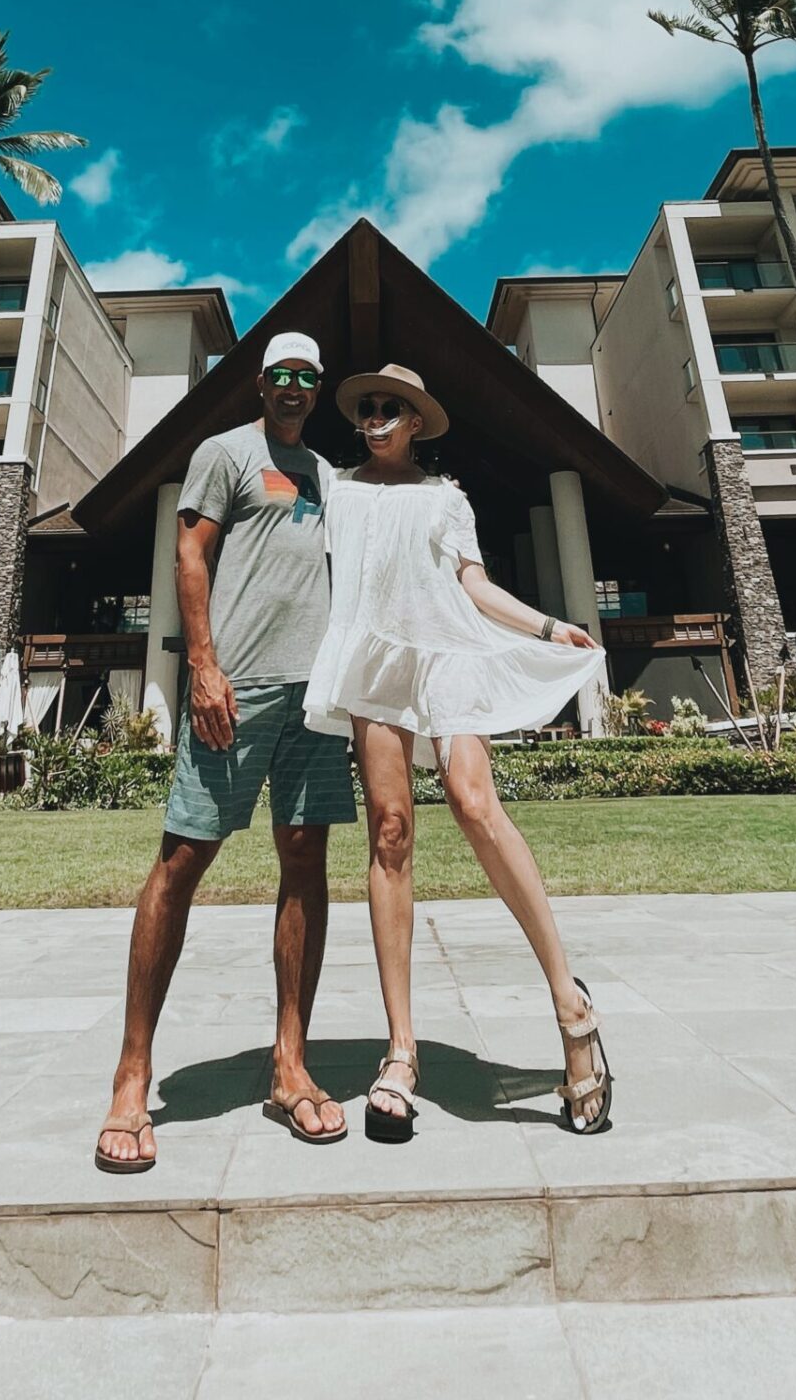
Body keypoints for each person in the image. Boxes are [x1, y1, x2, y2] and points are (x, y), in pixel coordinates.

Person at [304, 363, 617, 1140]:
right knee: (389, 832)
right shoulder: (336, 491)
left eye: (391, 408)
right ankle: (401, 1053)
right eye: (367, 407)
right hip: (374, 661)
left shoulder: (446, 497)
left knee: (475, 804)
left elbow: (473, 585)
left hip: (446, 655)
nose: (375, 417)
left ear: (416, 421)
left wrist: (549, 627)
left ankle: (570, 1004)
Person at [94, 331, 357, 1174]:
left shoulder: (326, 475)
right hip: (234, 693)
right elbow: (190, 552)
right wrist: (202, 665)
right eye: (279, 375)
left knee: (305, 861)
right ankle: (133, 1078)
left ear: (317, 389)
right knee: (182, 860)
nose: (290, 387)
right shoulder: (225, 453)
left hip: (315, 700)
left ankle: (290, 1064)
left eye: (305, 378)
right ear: (260, 382)